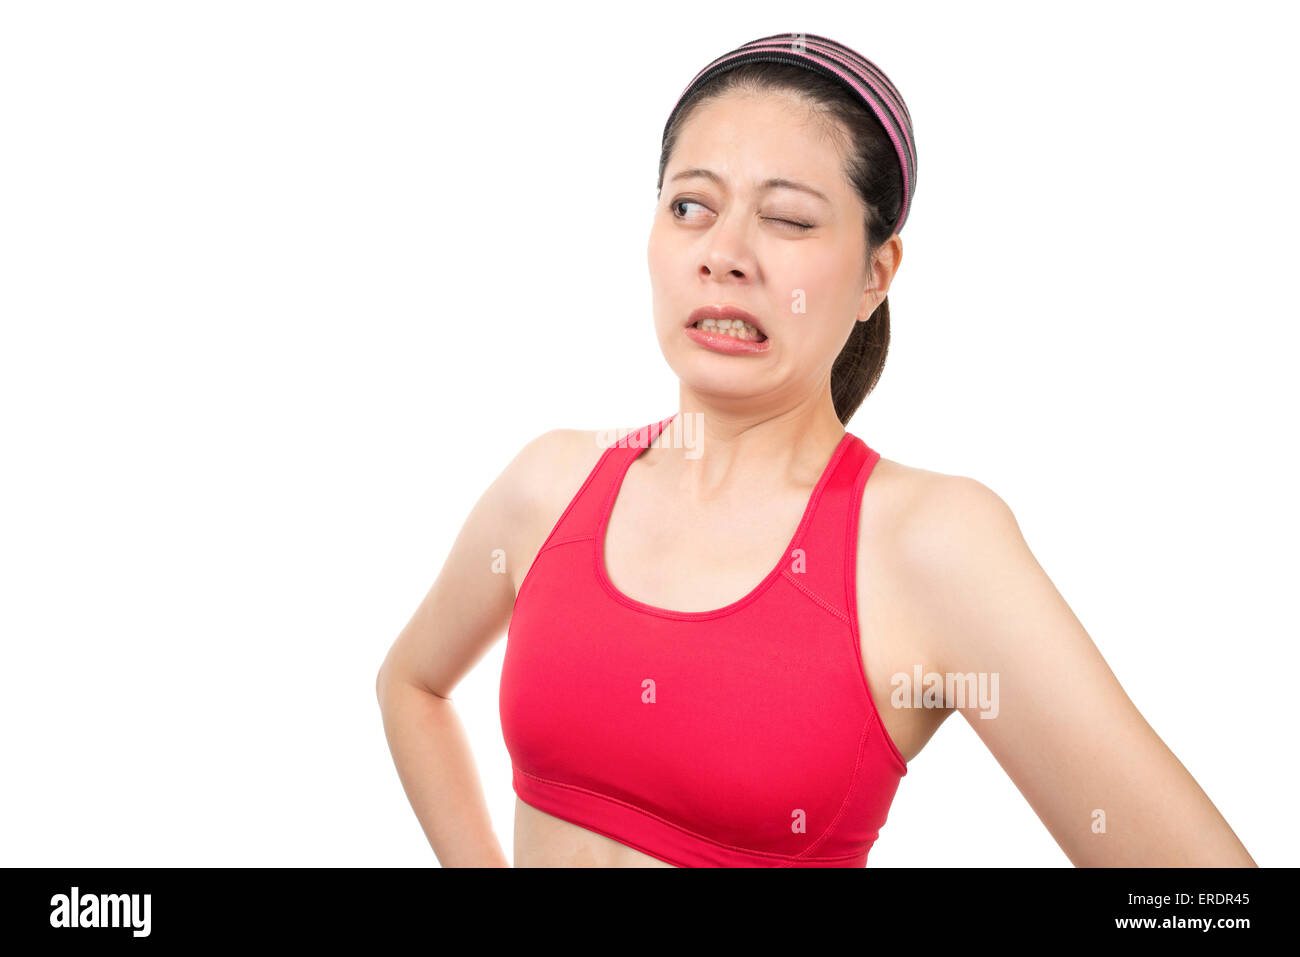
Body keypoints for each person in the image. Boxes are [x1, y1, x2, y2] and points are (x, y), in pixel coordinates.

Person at [375, 32, 1257, 867]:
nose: (724, 254)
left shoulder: (930, 542)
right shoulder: (551, 483)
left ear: (876, 274)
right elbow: (410, 685)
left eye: (789, 221)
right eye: (691, 206)